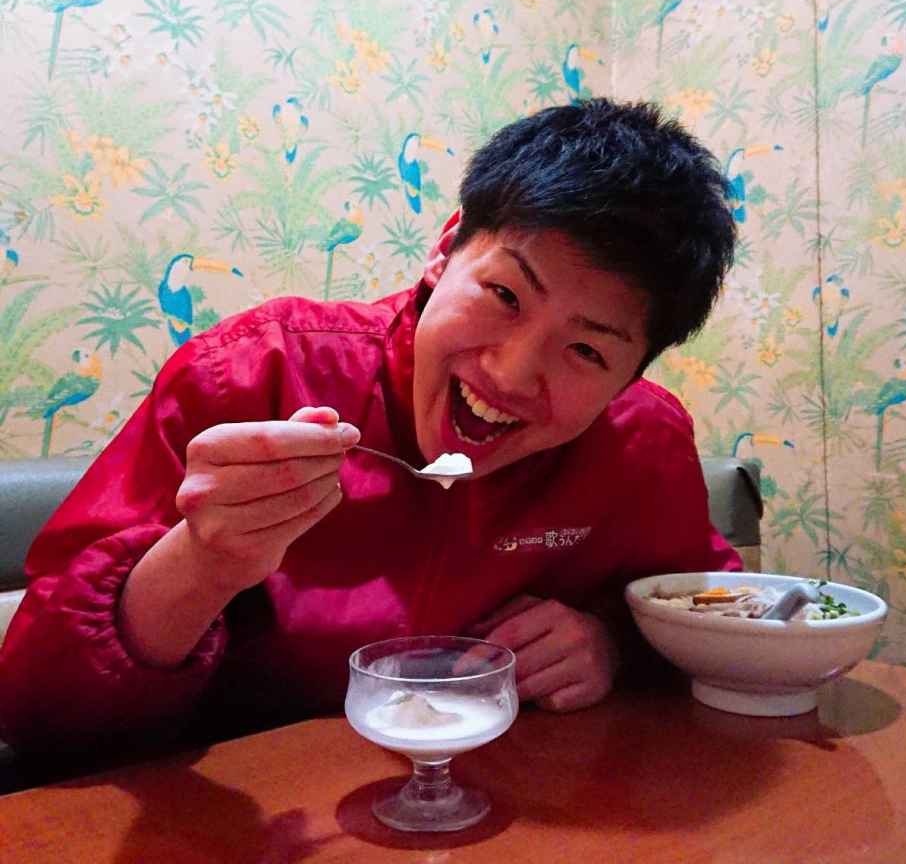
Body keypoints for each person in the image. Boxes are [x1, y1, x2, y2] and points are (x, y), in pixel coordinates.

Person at [0, 98, 740, 762]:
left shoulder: (642, 445)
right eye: (504, 293)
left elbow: (713, 623)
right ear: (445, 248)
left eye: (587, 350)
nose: (512, 374)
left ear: (631, 376)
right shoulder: (255, 373)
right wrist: (203, 562)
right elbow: (36, 710)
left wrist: (612, 645)